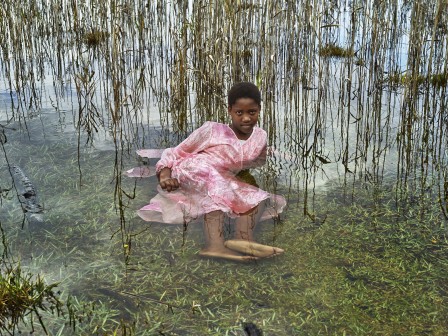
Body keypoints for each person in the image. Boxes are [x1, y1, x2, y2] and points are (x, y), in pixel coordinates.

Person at [138, 82, 286, 261]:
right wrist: (165, 175)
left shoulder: (260, 136)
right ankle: (214, 246)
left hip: (221, 176)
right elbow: (175, 152)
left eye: (252, 112)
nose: (246, 118)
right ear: (230, 110)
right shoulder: (212, 130)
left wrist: (242, 176)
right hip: (195, 167)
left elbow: (257, 161)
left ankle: (243, 238)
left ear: (259, 110)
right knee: (216, 188)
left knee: (258, 196)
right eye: (239, 113)